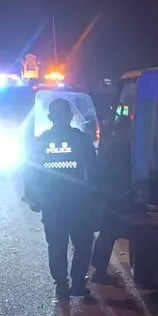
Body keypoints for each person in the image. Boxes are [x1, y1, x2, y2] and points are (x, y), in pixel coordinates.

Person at [25, 98, 98, 298]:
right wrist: (97, 198)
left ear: (50, 117)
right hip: (78, 203)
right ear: (71, 116)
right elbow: (94, 172)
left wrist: (32, 197)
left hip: (52, 203)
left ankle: (61, 285)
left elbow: (30, 171)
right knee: (83, 244)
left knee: (56, 245)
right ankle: (77, 283)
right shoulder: (82, 140)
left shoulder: (41, 141)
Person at [89, 113, 133, 284]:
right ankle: (99, 271)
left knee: (108, 233)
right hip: (114, 198)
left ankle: (98, 269)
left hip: (111, 197)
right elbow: (114, 174)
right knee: (109, 233)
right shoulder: (119, 149)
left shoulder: (111, 147)